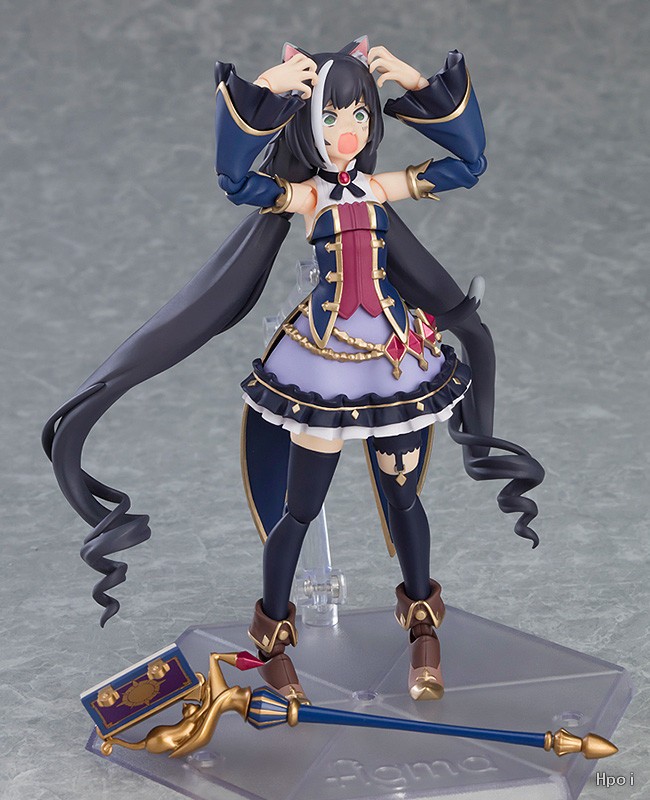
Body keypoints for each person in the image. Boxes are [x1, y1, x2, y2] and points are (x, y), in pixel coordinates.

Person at [43, 37, 544, 705]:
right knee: (300, 509)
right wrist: (264, 91)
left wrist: (419, 84)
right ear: (309, 126)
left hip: (393, 360)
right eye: (331, 117)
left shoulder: (380, 187)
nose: (348, 131)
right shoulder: (306, 197)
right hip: (324, 366)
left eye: (360, 114)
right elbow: (236, 182)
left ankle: (423, 628)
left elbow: (470, 165)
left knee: (404, 497)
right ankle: (273, 641)